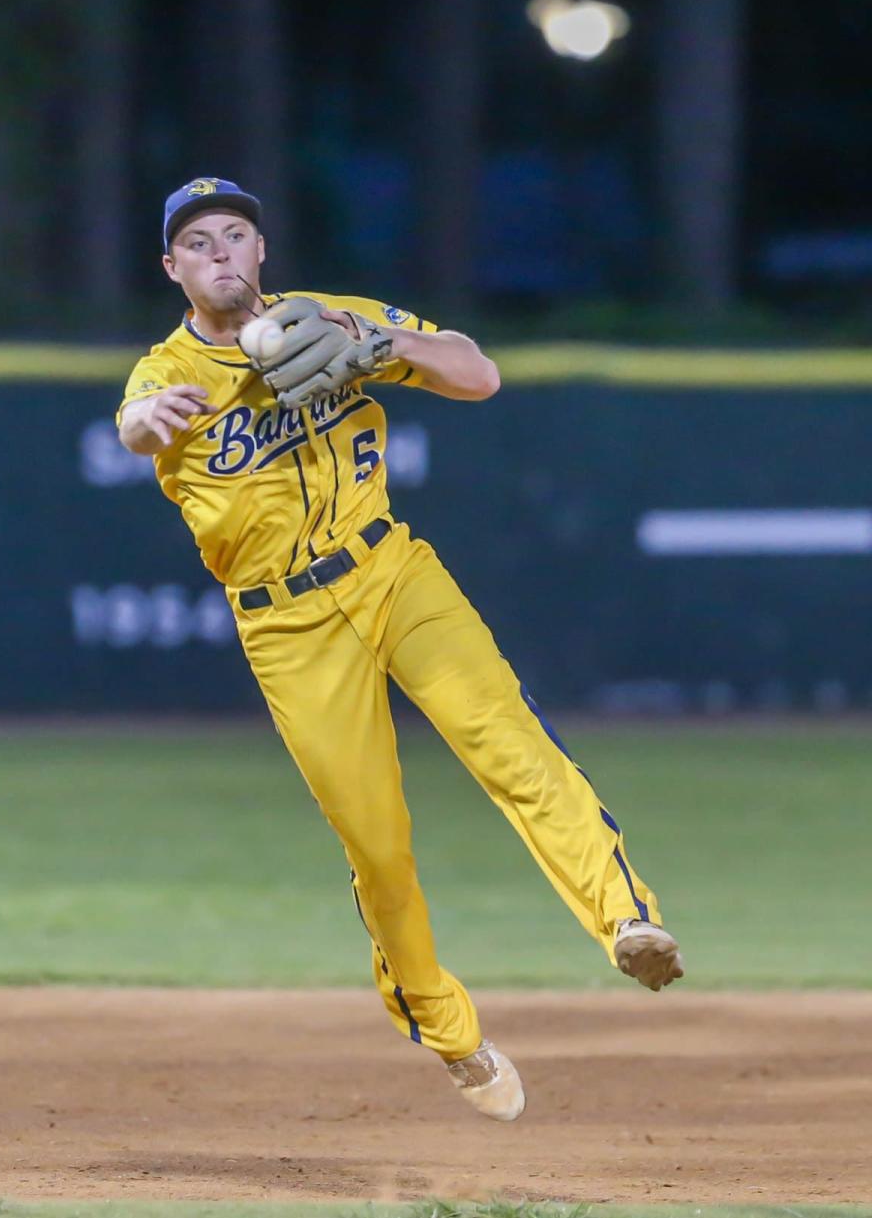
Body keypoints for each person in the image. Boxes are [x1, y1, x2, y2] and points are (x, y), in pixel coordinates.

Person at [117, 176, 684, 1123]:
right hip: (286, 624)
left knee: (511, 742)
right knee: (377, 845)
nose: (221, 252)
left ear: (261, 252)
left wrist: (379, 346)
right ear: (172, 268)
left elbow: (477, 371)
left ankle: (628, 921)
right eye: (199, 242)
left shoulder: (333, 318)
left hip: (390, 570)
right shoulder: (165, 372)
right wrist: (142, 424)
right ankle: (449, 1033)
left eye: (237, 234)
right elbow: (133, 423)